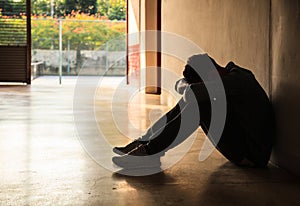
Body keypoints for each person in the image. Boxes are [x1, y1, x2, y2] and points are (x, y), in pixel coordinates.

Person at [112, 53, 275, 169]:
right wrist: (191, 87)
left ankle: (150, 151)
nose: (206, 86)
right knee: (198, 101)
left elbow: (190, 93)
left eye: (204, 83)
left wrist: (192, 88)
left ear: (212, 73)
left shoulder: (236, 81)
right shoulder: (228, 76)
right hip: (244, 145)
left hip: (253, 155)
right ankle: (146, 144)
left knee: (200, 105)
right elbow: (182, 86)